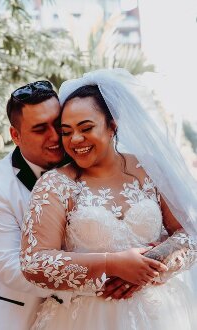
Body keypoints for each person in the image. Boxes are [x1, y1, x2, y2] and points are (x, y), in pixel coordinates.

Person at [20, 69, 197, 330]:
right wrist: (112, 264)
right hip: (84, 319)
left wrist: (146, 269)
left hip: (161, 315)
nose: (75, 139)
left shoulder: (151, 169)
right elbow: (34, 263)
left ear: (113, 124)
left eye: (86, 127)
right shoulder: (55, 185)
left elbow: (188, 233)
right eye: (66, 131)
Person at [0, 80, 65, 330]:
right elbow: (11, 268)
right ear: (15, 135)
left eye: (57, 124)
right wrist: (90, 282)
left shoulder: (83, 162)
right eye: (40, 129)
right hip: (20, 319)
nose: (55, 136)